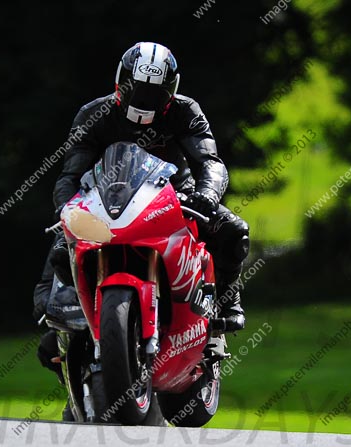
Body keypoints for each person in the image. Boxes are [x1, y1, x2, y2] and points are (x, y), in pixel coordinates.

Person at [34, 42, 249, 384]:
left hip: (174, 196)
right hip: (105, 202)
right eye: (137, 92)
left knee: (234, 229)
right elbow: (70, 175)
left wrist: (207, 193)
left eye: (154, 95)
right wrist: (66, 211)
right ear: (121, 81)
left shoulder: (186, 111)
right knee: (61, 248)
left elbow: (209, 163)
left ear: (171, 92)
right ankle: (57, 330)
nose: (143, 103)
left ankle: (225, 301)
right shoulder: (94, 114)